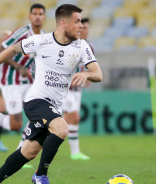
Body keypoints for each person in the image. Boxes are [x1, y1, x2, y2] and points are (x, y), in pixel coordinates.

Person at [0, 4, 102, 184]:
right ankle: (40, 175)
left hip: (54, 107)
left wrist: (86, 73)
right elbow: (12, 49)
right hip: (36, 100)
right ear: (64, 23)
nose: (81, 26)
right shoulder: (42, 41)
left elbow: (98, 74)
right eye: (78, 21)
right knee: (62, 128)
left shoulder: (81, 46)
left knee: (28, 152)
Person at [0, 3, 46, 153]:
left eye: (40, 14)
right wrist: (18, 66)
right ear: (30, 16)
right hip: (11, 81)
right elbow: (0, 50)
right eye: (34, 13)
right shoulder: (22, 33)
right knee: (15, 125)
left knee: (35, 117)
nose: (37, 16)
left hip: (29, 83)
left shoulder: (44, 37)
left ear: (44, 17)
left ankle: (20, 152)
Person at [62, 18, 94, 160]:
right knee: (74, 117)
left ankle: (75, 152)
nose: (85, 31)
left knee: (68, 120)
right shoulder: (67, 44)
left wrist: (87, 76)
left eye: (86, 28)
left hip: (77, 90)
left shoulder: (89, 47)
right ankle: (74, 152)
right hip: (64, 88)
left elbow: (91, 68)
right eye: (83, 28)